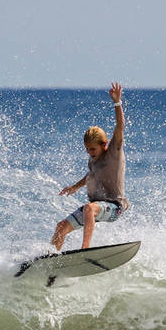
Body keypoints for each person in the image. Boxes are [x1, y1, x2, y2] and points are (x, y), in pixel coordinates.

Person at [51, 82, 129, 251]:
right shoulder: (93, 160)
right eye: (87, 149)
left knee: (89, 208)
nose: (89, 152)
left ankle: (84, 250)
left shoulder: (114, 152)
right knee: (60, 228)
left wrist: (117, 102)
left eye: (92, 149)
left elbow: (120, 126)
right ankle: (50, 264)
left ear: (104, 144)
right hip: (95, 208)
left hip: (114, 207)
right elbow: (90, 176)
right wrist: (75, 187)